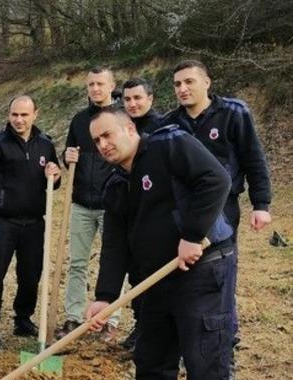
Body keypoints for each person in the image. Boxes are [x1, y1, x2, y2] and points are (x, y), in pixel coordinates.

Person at [85, 107, 234, 380]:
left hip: (203, 268)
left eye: (107, 135)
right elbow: (115, 245)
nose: (103, 144)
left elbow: (216, 180)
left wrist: (192, 234)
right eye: (96, 140)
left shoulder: (170, 144)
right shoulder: (115, 184)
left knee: (204, 359)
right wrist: (104, 297)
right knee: (151, 356)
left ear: (129, 128)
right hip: (154, 278)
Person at [163, 60, 272, 357]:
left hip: (223, 207)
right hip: (185, 208)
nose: (182, 89)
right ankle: (190, 333)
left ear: (207, 82)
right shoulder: (171, 123)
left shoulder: (234, 113)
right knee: (189, 268)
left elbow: (254, 158)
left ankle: (226, 334)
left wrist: (261, 204)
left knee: (221, 269)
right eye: (177, 84)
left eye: (189, 82)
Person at [0, 96, 61, 351]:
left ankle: (23, 319)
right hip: (2, 222)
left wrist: (55, 177)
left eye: (24, 115)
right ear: (9, 115)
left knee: (30, 275)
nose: (19, 120)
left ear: (35, 114)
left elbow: (54, 181)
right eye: (14, 115)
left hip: (34, 222)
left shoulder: (45, 145)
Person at [55, 66, 121, 341]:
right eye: (91, 84)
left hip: (112, 205)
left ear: (111, 86)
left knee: (113, 262)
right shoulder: (79, 120)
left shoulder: (121, 118)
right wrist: (66, 156)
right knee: (77, 263)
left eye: (100, 84)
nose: (95, 89)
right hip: (81, 202)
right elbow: (70, 154)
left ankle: (110, 319)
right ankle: (73, 316)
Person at [119, 77, 164, 352]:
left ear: (150, 99)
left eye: (137, 98)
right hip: (130, 209)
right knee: (135, 271)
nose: (132, 104)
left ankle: (159, 332)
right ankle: (141, 326)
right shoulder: (121, 127)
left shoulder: (163, 128)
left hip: (156, 211)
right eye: (127, 99)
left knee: (156, 275)